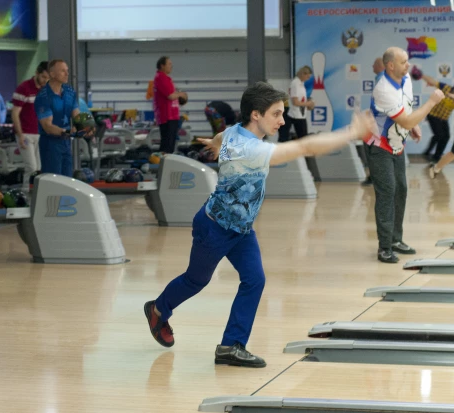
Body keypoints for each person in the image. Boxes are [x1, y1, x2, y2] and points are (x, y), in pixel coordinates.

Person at [143, 81, 375, 368]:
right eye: (276, 114)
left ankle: (231, 346)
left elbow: (223, 134)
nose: (282, 120)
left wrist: (217, 143)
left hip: (240, 229)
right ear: (256, 115)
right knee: (196, 280)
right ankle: (157, 309)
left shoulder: (234, 132)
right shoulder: (251, 148)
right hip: (214, 226)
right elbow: (305, 146)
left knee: (254, 280)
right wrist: (352, 133)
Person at [364, 47, 445, 264]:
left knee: (401, 190)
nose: (408, 65)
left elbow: (406, 111)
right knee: (387, 192)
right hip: (379, 146)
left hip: (397, 144)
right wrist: (430, 103)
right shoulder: (383, 89)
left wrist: (412, 126)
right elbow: (406, 119)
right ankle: (384, 248)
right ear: (391, 66)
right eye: (403, 62)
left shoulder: (406, 77)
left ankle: (395, 240)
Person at [34, 59, 81, 177]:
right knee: (54, 182)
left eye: (67, 71)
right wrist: (67, 131)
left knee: (67, 180)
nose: (67, 74)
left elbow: (76, 114)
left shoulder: (69, 91)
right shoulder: (43, 96)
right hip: (50, 144)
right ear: (52, 74)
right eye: (62, 71)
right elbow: (47, 126)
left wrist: (83, 126)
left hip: (66, 142)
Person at [414, 70, 454, 164]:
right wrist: (422, 75)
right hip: (433, 115)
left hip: (444, 118)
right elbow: (432, 81)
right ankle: (427, 153)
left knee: (446, 136)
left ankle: (437, 157)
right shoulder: (446, 88)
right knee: (439, 135)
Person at [11, 61, 50, 192]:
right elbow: (15, 113)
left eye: (48, 78)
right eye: (44, 77)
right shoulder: (24, 88)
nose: (46, 80)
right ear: (37, 73)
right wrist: (20, 134)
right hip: (26, 134)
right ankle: (26, 194)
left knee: (39, 169)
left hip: (40, 133)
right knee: (31, 167)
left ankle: (37, 196)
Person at [360, 58, 387, 187]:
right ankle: (375, 176)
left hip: (379, 122)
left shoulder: (382, 79)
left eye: (374, 64)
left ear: (380, 66)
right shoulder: (383, 78)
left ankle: (375, 176)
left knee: (372, 147)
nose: (372, 66)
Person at [153, 56, 187, 154]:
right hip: (167, 116)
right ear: (162, 66)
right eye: (169, 64)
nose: (171, 66)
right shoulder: (161, 77)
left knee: (169, 143)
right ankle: (163, 165)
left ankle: (164, 163)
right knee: (167, 145)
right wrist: (181, 94)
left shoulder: (166, 78)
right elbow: (171, 96)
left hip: (171, 115)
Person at [284, 66, 315, 140]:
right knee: (303, 138)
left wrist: (308, 103)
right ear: (303, 74)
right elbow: (295, 102)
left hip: (301, 114)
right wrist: (308, 104)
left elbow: (301, 100)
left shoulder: (301, 83)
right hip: (296, 115)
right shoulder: (295, 83)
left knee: (303, 138)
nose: (308, 79)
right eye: (307, 77)